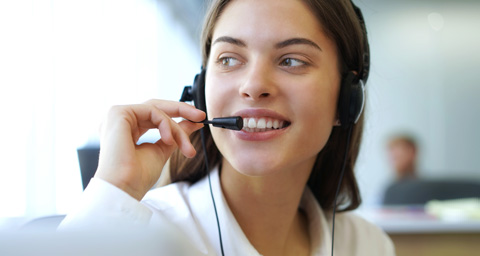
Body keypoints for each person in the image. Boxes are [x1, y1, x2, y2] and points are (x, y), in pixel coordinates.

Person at [60, 0, 395, 255]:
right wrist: (115, 188)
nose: (252, 85)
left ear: (346, 100)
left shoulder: (366, 245)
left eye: (292, 60)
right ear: (201, 89)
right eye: (229, 58)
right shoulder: (145, 234)